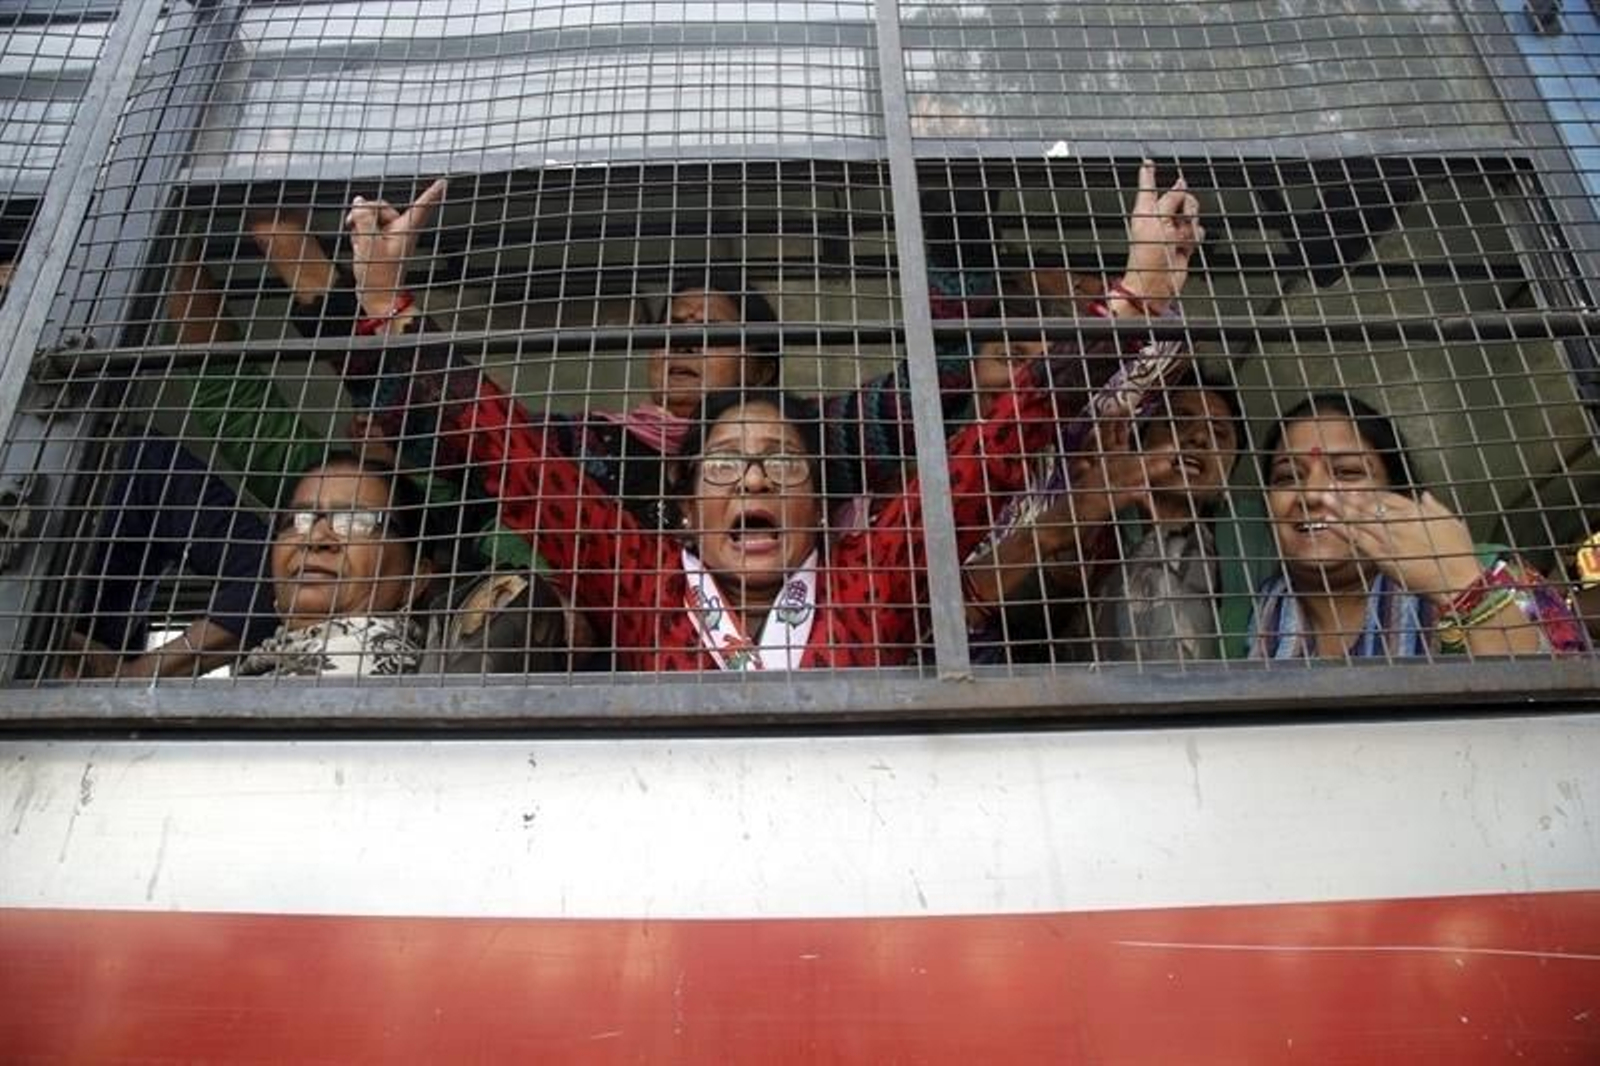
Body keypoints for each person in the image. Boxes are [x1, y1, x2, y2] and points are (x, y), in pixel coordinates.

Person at [340, 161, 1200, 519]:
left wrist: (1134, 296)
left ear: (759, 364)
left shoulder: (816, 441)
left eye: (707, 334)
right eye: (670, 334)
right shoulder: (597, 446)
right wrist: (383, 301)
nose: (678, 348)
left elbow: (953, 383)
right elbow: (477, 442)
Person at [1249, 393, 1586, 659]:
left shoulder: (1486, 571)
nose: (1312, 494)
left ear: (1397, 497)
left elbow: (1565, 701)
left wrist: (1462, 586)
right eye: (1287, 477)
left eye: (1347, 472)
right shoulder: (1250, 612)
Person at [962, 370, 1242, 664]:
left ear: (1229, 479)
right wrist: (1075, 539)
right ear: (1142, 441)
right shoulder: (1089, 518)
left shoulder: (1237, 571)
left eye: (1218, 434)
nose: (1198, 437)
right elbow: (1008, 616)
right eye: (1180, 420)